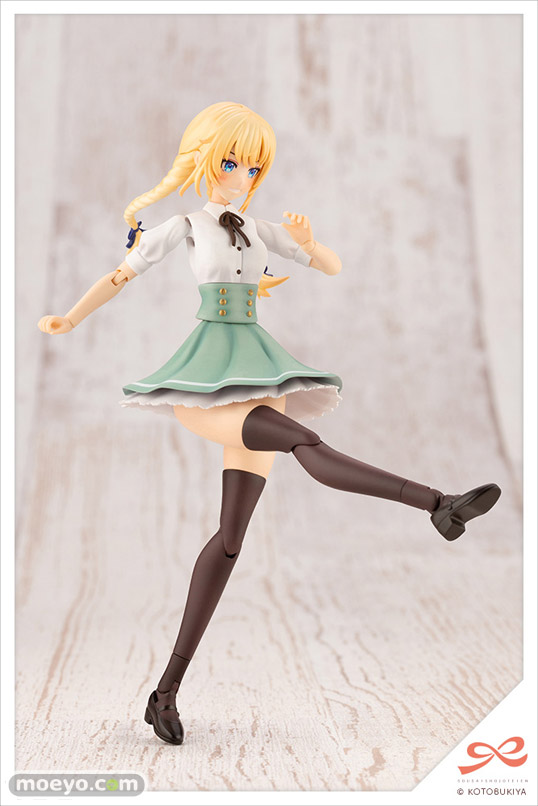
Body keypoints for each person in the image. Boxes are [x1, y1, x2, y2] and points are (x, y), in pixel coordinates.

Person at [38, 102, 501, 746]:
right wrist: (69, 318)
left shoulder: (258, 230)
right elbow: (120, 275)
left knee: (230, 542)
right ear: (203, 159)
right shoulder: (184, 226)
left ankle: (163, 693)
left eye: (253, 167)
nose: (242, 176)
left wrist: (308, 244)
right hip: (206, 385)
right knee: (304, 442)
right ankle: (437, 504)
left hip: (259, 374)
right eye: (232, 162)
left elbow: (331, 266)